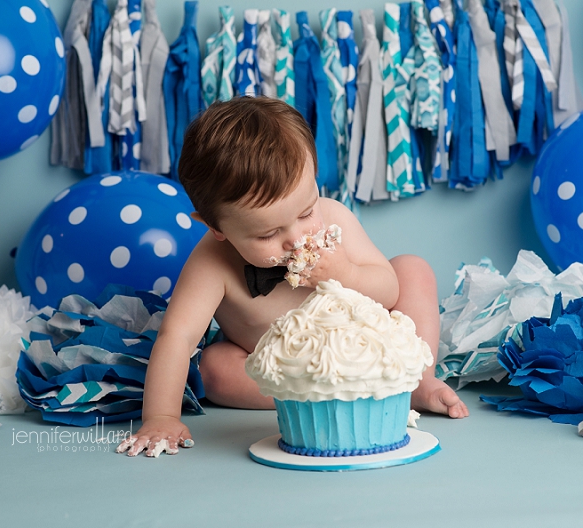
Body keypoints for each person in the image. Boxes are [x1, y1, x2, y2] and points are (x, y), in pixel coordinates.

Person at [117, 96, 468, 457]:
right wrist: (160, 416)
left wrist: (344, 272)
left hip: (368, 347)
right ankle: (309, 400)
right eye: (267, 234)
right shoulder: (212, 263)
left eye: (305, 211)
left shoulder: (334, 216)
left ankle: (415, 381)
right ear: (216, 227)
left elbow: (389, 291)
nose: (296, 238)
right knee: (213, 369)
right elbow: (177, 337)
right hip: (283, 369)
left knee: (412, 269)